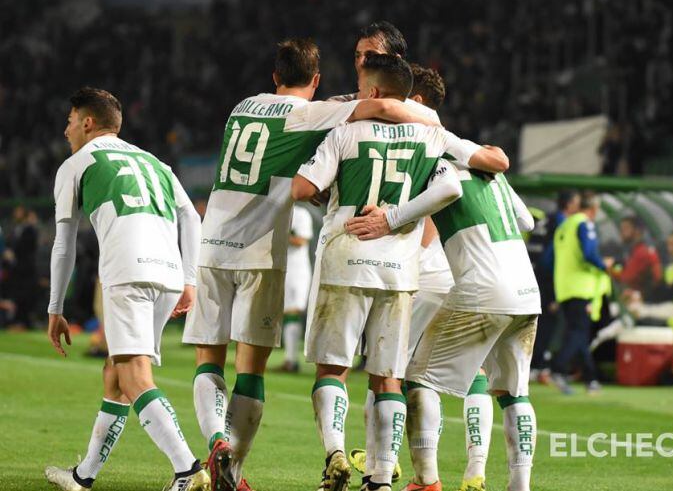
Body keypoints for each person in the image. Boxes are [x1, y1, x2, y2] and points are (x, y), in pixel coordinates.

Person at [181, 38, 439, 491]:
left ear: (274, 75)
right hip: (262, 251)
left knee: (208, 358)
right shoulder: (313, 114)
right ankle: (235, 472)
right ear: (316, 80)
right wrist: (430, 118)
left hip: (212, 243)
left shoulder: (241, 107)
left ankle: (216, 441)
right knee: (252, 370)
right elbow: (374, 110)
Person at [292, 53, 509, 491]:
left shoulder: (345, 131)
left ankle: (336, 451)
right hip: (398, 270)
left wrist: (328, 188)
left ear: (371, 93)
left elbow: (302, 189)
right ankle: (381, 477)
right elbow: (491, 162)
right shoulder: (433, 136)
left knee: (332, 368)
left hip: (345, 259)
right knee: (388, 376)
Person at [44, 87, 208, 491]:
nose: (66, 131)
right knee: (116, 373)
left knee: (134, 376)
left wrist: (55, 307)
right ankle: (84, 477)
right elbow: (191, 219)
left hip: (127, 271)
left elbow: (64, 243)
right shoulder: (155, 161)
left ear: (86, 122)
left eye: (69, 121)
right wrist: (189, 278)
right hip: (168, 273)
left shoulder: (77, 164)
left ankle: (188, 469)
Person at [344, 166, 539, 491]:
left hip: (466, 284)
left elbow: (432, 220)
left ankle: (412, 476)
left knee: (408, 376)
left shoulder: (436, 163)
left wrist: (390, 220)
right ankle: (517, 485)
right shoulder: (493, 173)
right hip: (525, 290)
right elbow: (527, 223)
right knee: (512, 391)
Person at [348, 63, 494, 491]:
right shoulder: (460, 147)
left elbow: (431, 211)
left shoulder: (425, 142)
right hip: (467, 279)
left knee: (390, 371)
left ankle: (389, 464)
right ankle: (474, 469)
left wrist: (398, 236)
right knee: (472, 374)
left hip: (424, 274)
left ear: (418, 102)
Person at [550, 192, 613, 395]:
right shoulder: (584, 224)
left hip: (564, 287)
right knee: (578, 333)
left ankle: (591, 379)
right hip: (581, 287)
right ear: (594, 209)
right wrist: (605, 265)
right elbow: (588, 253)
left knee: (579, 334)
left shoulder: (565, 225)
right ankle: (557, 368)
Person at [530, 189, 580, 381]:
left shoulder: (545, 219)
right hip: (547, 279)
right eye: (576, 203)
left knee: (537, 322)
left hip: (532, 275)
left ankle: (535, 364)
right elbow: (551, 257)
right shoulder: (561, 223)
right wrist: (553, 290)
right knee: (546, 323)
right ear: (569, 205)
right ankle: (538, 366)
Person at [626, 231, 673, 334]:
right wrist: (639, 296)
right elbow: (661, 288)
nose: (670, 248)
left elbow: (672, 291)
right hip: (667, 305)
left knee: (633, 312)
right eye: (669, 244)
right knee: (628, 308)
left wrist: (644, 299)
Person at [279, 205, 314, 373]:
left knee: (293, 312)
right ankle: (289, 359)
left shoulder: (301, 213)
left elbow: (301, 240)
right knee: (284, 314)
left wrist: (276, 233)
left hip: (296, 271)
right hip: (280, 269)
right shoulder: (277, 210)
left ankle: (292, 361)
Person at [609, 215, 662, 296]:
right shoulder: (636, 250)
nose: (621, 232)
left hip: (649, 301)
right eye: (621, 229)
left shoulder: (642, 252)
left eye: (626, 228)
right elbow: (625, 269)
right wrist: (615, 266)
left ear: (637, 231)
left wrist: (610, 268)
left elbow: (626, 278)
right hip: (645, 297)